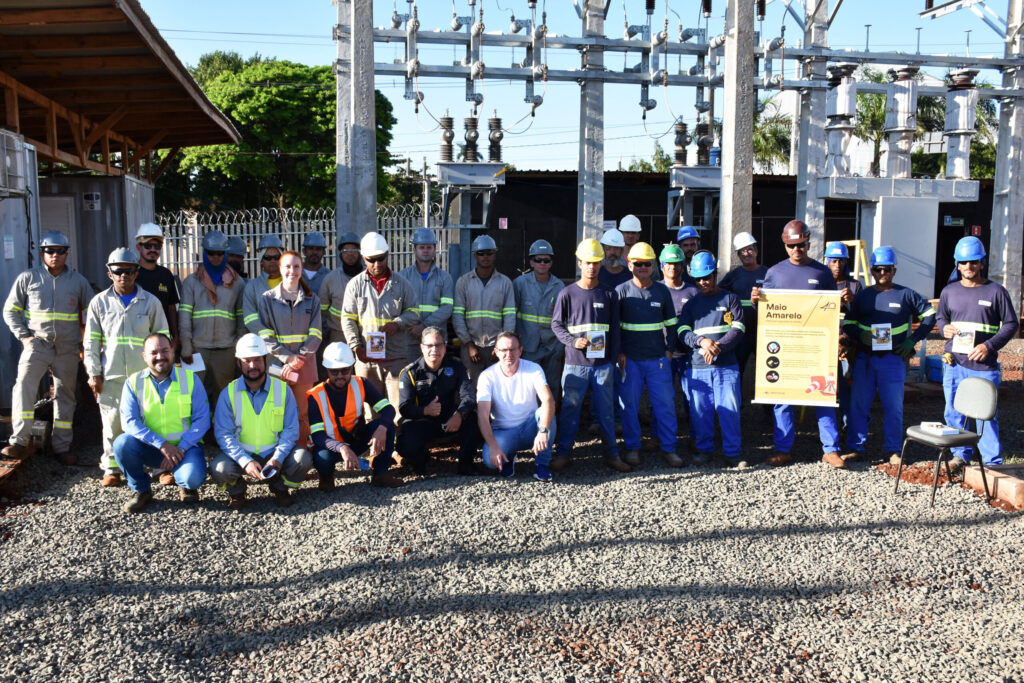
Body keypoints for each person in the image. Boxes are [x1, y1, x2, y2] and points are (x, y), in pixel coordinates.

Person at [751, 220, 840, 468]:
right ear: (785, 245)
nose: (796, 250)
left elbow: (834, 309)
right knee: (783, 397)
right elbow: (766, 311)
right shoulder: (775, 273)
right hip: (785, 346)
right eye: (792, 246)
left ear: (808, 243)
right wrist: (756, 301)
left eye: (801, 245)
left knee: (823, 397)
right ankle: (783, 449)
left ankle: (831, 450)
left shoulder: (822, 273)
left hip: (816, 347)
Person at [2, 231, 92, 463]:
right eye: (50, 251)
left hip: (67, 348)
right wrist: (24, 337)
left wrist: (85, 343)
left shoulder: (78, 281)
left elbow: (93, 313)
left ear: (66, 253)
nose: (55, 255)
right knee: (23, 385)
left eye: (60, 251)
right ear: (42, 253)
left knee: (65, 395)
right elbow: (10, 310)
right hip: (37, 344)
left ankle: (62, 447)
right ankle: (19, 441)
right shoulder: (28, 278)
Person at [842, 246, 936, 466]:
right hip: (865, 359)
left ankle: (892, 450)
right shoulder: (863, 296)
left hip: (893, 360)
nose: (882, 273)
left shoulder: (906, 294)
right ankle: (856, 448)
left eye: (887, 269)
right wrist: (860, 336)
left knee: (893, 407)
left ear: (894, 270)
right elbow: (849, 323)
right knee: (858, 406)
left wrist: (912, 341)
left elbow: (930, 315)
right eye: (878, 269)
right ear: (872, 271)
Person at [84, 248, 169, 486]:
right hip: (111, 376)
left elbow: (162, 338)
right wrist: (94, 373)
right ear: (109, 273)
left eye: (129, 271)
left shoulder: (151, 302)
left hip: (144, 377)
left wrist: (161, 372)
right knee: (112, 423)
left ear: (137, 272)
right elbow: (91, 342)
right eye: (119, 271)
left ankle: (158, 467)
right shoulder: (99, 303)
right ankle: (112, 469)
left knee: (151, 422)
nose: (124, 275)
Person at [936, 236, 1018, 472]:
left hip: (983, 365)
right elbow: (941, 317)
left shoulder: (996, 291)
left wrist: (989, 346)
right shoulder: (949, 291)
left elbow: (1011, 324)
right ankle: (960, 456)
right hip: (954, 364)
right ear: (957, 264)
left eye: (973, 262)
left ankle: (992, 463)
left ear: (982, 263)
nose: (968, 266)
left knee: (985, 415)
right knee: (953, 412)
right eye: (963, 262)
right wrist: (944, 328)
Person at [550, 239, 627, 472]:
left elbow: (615, 329)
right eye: (587, 262)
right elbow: (556, 325)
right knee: (570, 411)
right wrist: (573, 341)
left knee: (606, 413)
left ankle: (612, 455)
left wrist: (613, 359)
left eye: (595, 262)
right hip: (575, 364)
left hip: (603, 365)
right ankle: (564, 453)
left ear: (600, 263)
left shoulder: (609, 293)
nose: (591, 267)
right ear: (580, 263)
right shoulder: (567, 294)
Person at [210, 333, 312, 508]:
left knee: (303, 459)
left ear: (266, 360)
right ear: (238, 363)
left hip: (274, 453)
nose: (252, 366)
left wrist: (278, 458)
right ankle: (237, 491)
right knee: (219, 468)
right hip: (243, 453)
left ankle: (280, 487)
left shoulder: (283, 390)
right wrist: (245, 461)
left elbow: (291, 429)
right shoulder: (228, 393)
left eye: (257, 360)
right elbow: (223, 434)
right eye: (246, 361)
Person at [113, 333, 208, 513]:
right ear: (144, 356)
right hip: (151, 448)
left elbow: (202, 419)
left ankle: (186, 486)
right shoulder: (133, 382)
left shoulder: (190, 379)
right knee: (122, 444)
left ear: (173, 351)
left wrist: (180, 449)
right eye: (153, 352)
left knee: (192, 478)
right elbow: (129, 422)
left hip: (184, 449)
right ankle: (141, 490)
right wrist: (162, 445)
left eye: (165, 351)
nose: (160, 356)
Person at [677, 251, 746, 467]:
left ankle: (732, 453)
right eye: (698, 279)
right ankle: (704, 450)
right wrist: (702, 342)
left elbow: (738, 329)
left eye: (706, 277)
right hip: (698, 367)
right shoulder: (691, 304)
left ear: (715, 274)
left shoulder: (730, 299)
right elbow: (682, 332)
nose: (703, 282)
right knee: (701, 412)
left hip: (726, 366)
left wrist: (718, 347)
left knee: (730, 411)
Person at [340, 232, 419, 420]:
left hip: (396, 357)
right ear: (363, 259)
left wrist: (398, 323)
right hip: (367, 358)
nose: (377, 264)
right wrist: (356, 346)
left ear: (388, 255)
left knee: (399, 409)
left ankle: (397, 440)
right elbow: (347, 318)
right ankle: (375, 438)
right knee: (371, 410)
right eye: (371, 260)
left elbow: (414, 312)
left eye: (381, 258)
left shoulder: (402, 284)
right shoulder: (355, 285)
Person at [615, 242, 681, 467]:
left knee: (665, 407)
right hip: (630, 361)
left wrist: (669, 350)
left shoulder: (662, 291)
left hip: (657, 361)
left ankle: (669, 448)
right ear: (629, 265)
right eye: (638, 263)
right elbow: (614, 328)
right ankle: (633, 448)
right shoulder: (621, 291)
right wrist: (619, 352)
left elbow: (672, 325)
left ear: (654, 265)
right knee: (629, 407)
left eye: (647, 263)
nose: (642, 267)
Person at [308, 342, 404, 490]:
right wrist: (341, 448)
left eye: (345, 370)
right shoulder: (315, 395)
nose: (340, 375)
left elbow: (388, 410)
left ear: (352, 367)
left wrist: (381, 428)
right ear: (327, 370)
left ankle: (381, 474)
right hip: (330, 447)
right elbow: (317, 436)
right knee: (322, 458)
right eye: (334, 371)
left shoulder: (361, 383)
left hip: (355, 440)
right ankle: (326, 477)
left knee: (387, 426)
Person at [257, 250, 322, 446]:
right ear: (280, 269)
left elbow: (316, 335)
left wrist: (297, 360)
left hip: (304, 367)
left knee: (303, 414)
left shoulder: (312, 299)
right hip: (277, 367)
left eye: (296, 266)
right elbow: (265, 336)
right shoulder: (267, 299)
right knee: (277, 412)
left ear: (301, 270)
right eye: (287, 266)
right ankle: (276, 453)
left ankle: (300, 453)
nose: (292, 271)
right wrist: (287, 358)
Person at [396, 327, 478, 475]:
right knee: (404, 444)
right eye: (429, 345)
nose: (434, 349)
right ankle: (422, 461)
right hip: (422, 421)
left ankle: (466, 465)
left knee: (473, 419)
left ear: (445, 347)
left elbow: (469, 396)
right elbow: (404, 408)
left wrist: (459, 414)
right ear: (422, 347)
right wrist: (425, 410)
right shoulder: (409, 373)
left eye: (438, 345)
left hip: (450, 419)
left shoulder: (456, 366)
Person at [178, 229, 246, 409]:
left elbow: (241, 315)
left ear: (226, 254)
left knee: (224, 397)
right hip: (197, 349)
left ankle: (220, 427)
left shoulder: (237, 282)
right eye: (211, 253)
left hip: (226, 349)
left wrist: (238, 343)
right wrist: (186, 345)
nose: (215, 257)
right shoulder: (191, 282)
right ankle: (196, 428)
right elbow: (184, 314)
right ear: (204, 253)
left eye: (220, 253)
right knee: (191, 394)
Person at [477, 331, 557, 481]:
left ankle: (542, 464)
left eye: (513, 349)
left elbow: (548, 400)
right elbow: (482, 414)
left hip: (531, 428)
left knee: (546, 412)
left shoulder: (533, 368)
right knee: (490, 461)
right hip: (504, 431)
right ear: (496, 352)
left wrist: (543, 431)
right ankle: (509, 455)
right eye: (503, 350)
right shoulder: (487, 376)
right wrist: (493, 446)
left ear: (520, 350)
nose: (508, 354)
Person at [453, 234, 516, 384]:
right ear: (475, 255)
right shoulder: (463, 282)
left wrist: (501, 346)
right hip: (471, 347)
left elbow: (510, 317)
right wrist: (468, 344)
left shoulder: (505, 283)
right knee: (472, 387)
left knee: (499, 387)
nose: (485, 256)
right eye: (481, 253)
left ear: (495, 254)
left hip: (497, 347)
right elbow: (458, 316)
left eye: (489, 253)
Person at [660, 243, 699, 455]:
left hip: (688, 354)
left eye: (676, 264)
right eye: (668, 264)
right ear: (661, 266)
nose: (672, 268)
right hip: (663, 354)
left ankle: (695, 437)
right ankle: (658, 436)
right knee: (662, 399)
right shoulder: (656, 290)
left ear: (683, 266)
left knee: (692, 398)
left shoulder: (692, 291)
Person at [513, 239, 565, 398]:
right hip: (528, 345)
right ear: (531, 262)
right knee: (528, 388)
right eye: (538, 259)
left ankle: (550, 415)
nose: (542, 263)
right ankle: (530, 415)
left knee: (552, 385)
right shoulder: (520, 284)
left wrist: (560, 346)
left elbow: (564, 318)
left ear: (551, 263)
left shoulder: (559, 286)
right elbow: (511, 314)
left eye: (546, 260)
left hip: (552, 346)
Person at [718, 231, 767, 384]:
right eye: (742, 251)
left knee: (768, 370)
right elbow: (718, 295)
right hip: (740, 334)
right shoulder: (733, 275)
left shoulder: (768, 274)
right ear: (738, 255)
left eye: (749, 249)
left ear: (756, 250)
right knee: (737, 371)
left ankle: (767, 401)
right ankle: (737, 399)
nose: (746, 254)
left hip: (763, 332)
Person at [825, 240, 863, 430]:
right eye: (833, 261)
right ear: (827, 261)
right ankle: (829, 428)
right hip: (824, 344)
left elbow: (863, 314)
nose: (837, 265)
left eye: (841, 261)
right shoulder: (821, 284)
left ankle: (847, 425)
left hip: (846, 347)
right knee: (825, 388)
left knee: (847, 386)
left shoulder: (854, 286)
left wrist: (852, 302)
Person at [317, 231, 362, 379]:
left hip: (364, 335)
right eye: (346, 250)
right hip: (338, 335)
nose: (350, 253)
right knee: (339, 376)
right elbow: (322, 310)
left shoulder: (368, 277)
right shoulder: (330, 279)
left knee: (363, 375)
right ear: (340, 253)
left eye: (354, 249)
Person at [397, 227, 454, 340]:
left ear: (435, 249)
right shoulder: (403, 276)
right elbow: (398, 307)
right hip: (409, 337)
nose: (425, 250)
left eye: (429, 247)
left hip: (436, 339)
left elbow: (447, 308)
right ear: (414, 249)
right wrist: (412, 326)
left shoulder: (445, 277)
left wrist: (424, 325)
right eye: (421, 247)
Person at [134, 223, 181, 354]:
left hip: (162, 341)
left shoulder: (166, 275)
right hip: (138, 341)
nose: (153, 249)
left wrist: (176, 336)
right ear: (139, 247)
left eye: (157, 246)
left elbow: (171, 308)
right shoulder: (131, 275)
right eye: (148, 246)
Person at [241, 234, 283, 334]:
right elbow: (249, 318)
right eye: (268, 257)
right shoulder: (252, 287)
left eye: (276, 257)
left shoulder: (293, 284)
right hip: (263, 341)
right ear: (261, 260)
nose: (273, 261)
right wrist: (269, 336)